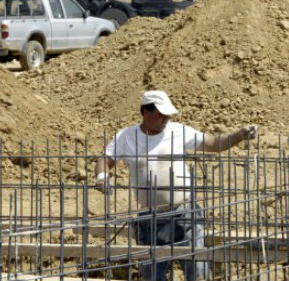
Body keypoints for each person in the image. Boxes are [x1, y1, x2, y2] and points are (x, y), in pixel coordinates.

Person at [95, 90, 257, 281]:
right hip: (150, 218)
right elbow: (105, 159)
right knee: (151, 275)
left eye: (168, 114)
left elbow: (213, 143)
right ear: (146, 112)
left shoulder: (178, 131)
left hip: (184, 214)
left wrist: (238, 135)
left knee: (197, 270)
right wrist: (102, 177)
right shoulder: (127, 136)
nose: (166, 118)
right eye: (161, 114)